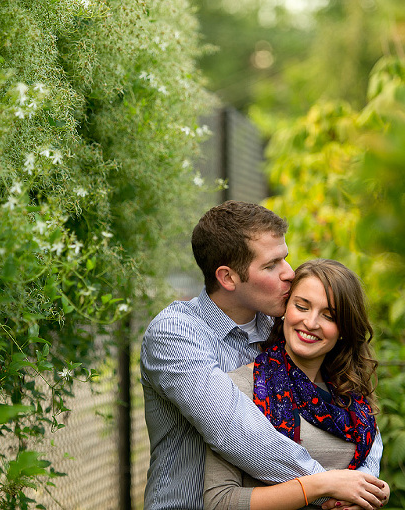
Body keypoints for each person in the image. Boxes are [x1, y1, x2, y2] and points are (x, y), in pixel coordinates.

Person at [140, 201, 387, 510]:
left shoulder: (282, 327)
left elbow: (357, 408)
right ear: (228, 278)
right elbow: (239, 434)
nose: (289, 273)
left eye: (285, 258)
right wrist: (330, 486)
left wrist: (364, 482)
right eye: (271, 266)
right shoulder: (176, 335)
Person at [204, 259, 389, 510]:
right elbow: (220, 502)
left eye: (329, 316)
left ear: (344, 328)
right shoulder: (240, 387)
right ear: (285, 309)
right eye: (302, 307)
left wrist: (375, 492)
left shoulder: (349, 394)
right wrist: (323, 487)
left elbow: (363, 475)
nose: (311, 323)